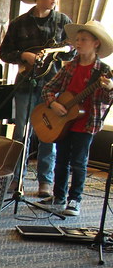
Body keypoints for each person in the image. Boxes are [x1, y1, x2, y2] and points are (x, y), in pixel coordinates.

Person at [0, 0, 75, 197]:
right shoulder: (19, 23)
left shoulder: (63, 22)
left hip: (52, 87)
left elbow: (74, 50)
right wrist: (24, 55)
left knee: (48, 133)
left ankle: (45, 181)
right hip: (25, 85)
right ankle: (16, 179)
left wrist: (63, 52)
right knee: (22, 132)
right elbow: (4, 53)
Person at [39, 20, 113, 217]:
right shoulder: (69, 67)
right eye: (77, 39)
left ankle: (75, 199)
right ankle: (59, 196)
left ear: (96, 43)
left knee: (79, 162)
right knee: (61, 160)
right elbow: (48, 88)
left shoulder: (104, 71)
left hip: (86, 123)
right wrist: (53, 104)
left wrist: (109, 89)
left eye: (83, 40)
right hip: (64, 123)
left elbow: (106, 100)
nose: (78, 43)